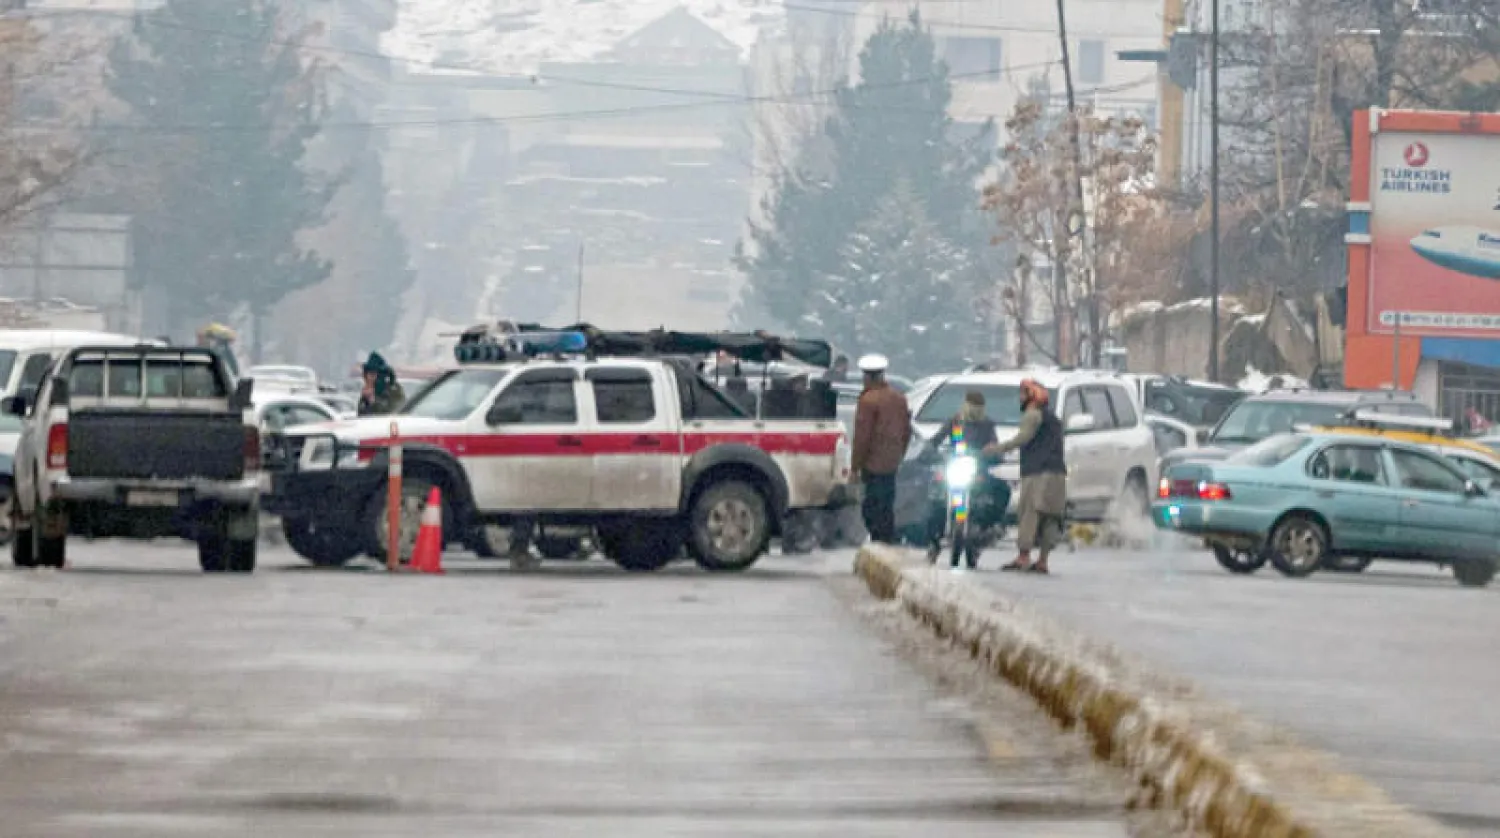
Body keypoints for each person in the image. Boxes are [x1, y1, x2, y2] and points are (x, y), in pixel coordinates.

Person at [983, 378, 1066, 574]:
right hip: (1057, 473)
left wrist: (997, 449)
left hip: (1037, 473)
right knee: (1050, 516)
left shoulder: (1032, 415)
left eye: (1022, 394)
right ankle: (1043, 560)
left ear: (1032, 396)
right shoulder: (1053, 420)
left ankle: (1023, 557)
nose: (1019, 398)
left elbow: (1022, 438)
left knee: (1029, 512)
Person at [924, 390, 1009, 566]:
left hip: (977, 472)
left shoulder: (987, 425)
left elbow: (994, 446)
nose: (975, 411)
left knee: (1001, 491)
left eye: (979, 408)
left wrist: (994, 453)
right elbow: (936, 440)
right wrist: (929, 451)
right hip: (954, 469)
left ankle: (988, 530)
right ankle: (934, 543)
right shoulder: (956, 422)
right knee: (935, 500)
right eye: (972, 407)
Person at [851, 353, 910, 544]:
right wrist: (899, 455)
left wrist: (855, 466)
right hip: (892, 462)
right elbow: (906, 431)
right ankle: (887, 541)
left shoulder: (868, 401)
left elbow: (862, 437)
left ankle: (881, 543)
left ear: (867, 377)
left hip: (873, 464)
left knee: (871, 509)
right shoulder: (899, 398)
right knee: (886, 506)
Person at [357, 351, 406, 416]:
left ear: (381, 376)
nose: (369, 378)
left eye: (372, 374)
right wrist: (366, 401)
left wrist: (373, 401)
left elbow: (396, 411)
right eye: (367, 375)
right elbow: (361, 415)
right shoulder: (368, 392)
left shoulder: (394, 390)